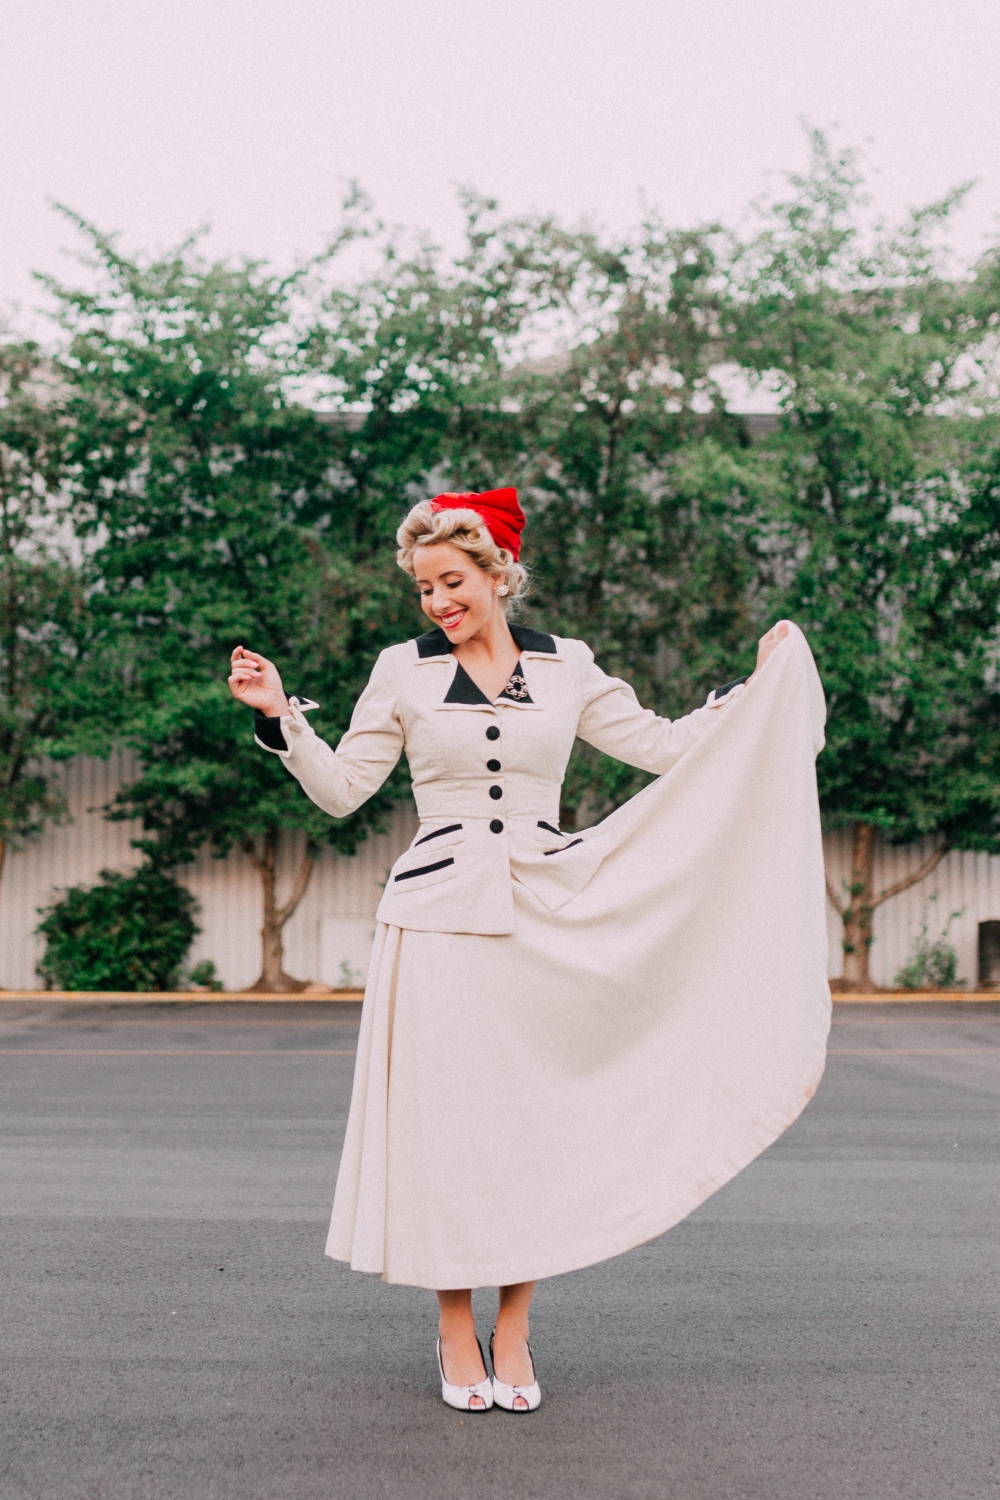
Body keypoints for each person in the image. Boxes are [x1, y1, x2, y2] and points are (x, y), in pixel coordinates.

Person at [228, 487, 830, 1414]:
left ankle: (512, 1328)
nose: (437, 601)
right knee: (448, 1130)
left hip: (545, 915)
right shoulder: (402, 670)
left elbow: (667, 746)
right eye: (424, 587)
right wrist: (281, 717)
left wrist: (759, 692)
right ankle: (452, 1329)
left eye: (452, 581)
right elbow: (345, 791)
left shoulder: (567, 665)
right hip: (436, 922)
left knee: (527, 1127)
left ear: (498, 573)